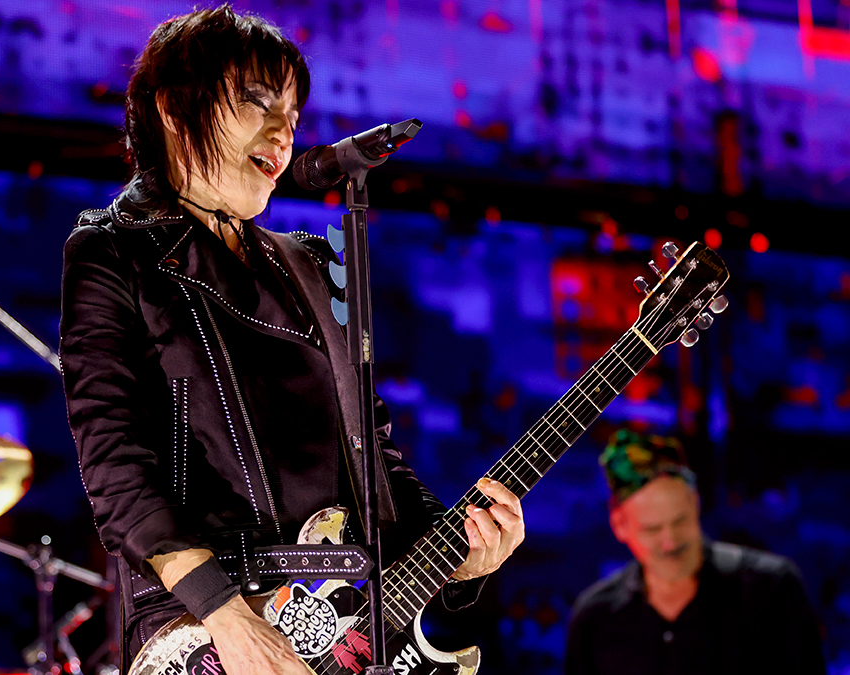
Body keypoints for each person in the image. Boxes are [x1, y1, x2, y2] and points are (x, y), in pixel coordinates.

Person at [58, 6, 526, 675]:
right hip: (205, 622)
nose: (284, 133)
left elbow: (377, 465)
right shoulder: (113, 251)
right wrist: (227, 615)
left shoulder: (311, 265)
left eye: (295, 117)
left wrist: (464, 558)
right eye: (257, 104)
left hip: (346, 626)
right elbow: (115, 467)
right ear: (170, 107)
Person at [565, 430, 826, 675]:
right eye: (652, 529)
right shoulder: (594, 618)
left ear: (695, 502)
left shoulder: (771, 588)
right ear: (619, 525)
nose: (670, 542)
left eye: (680, 521)